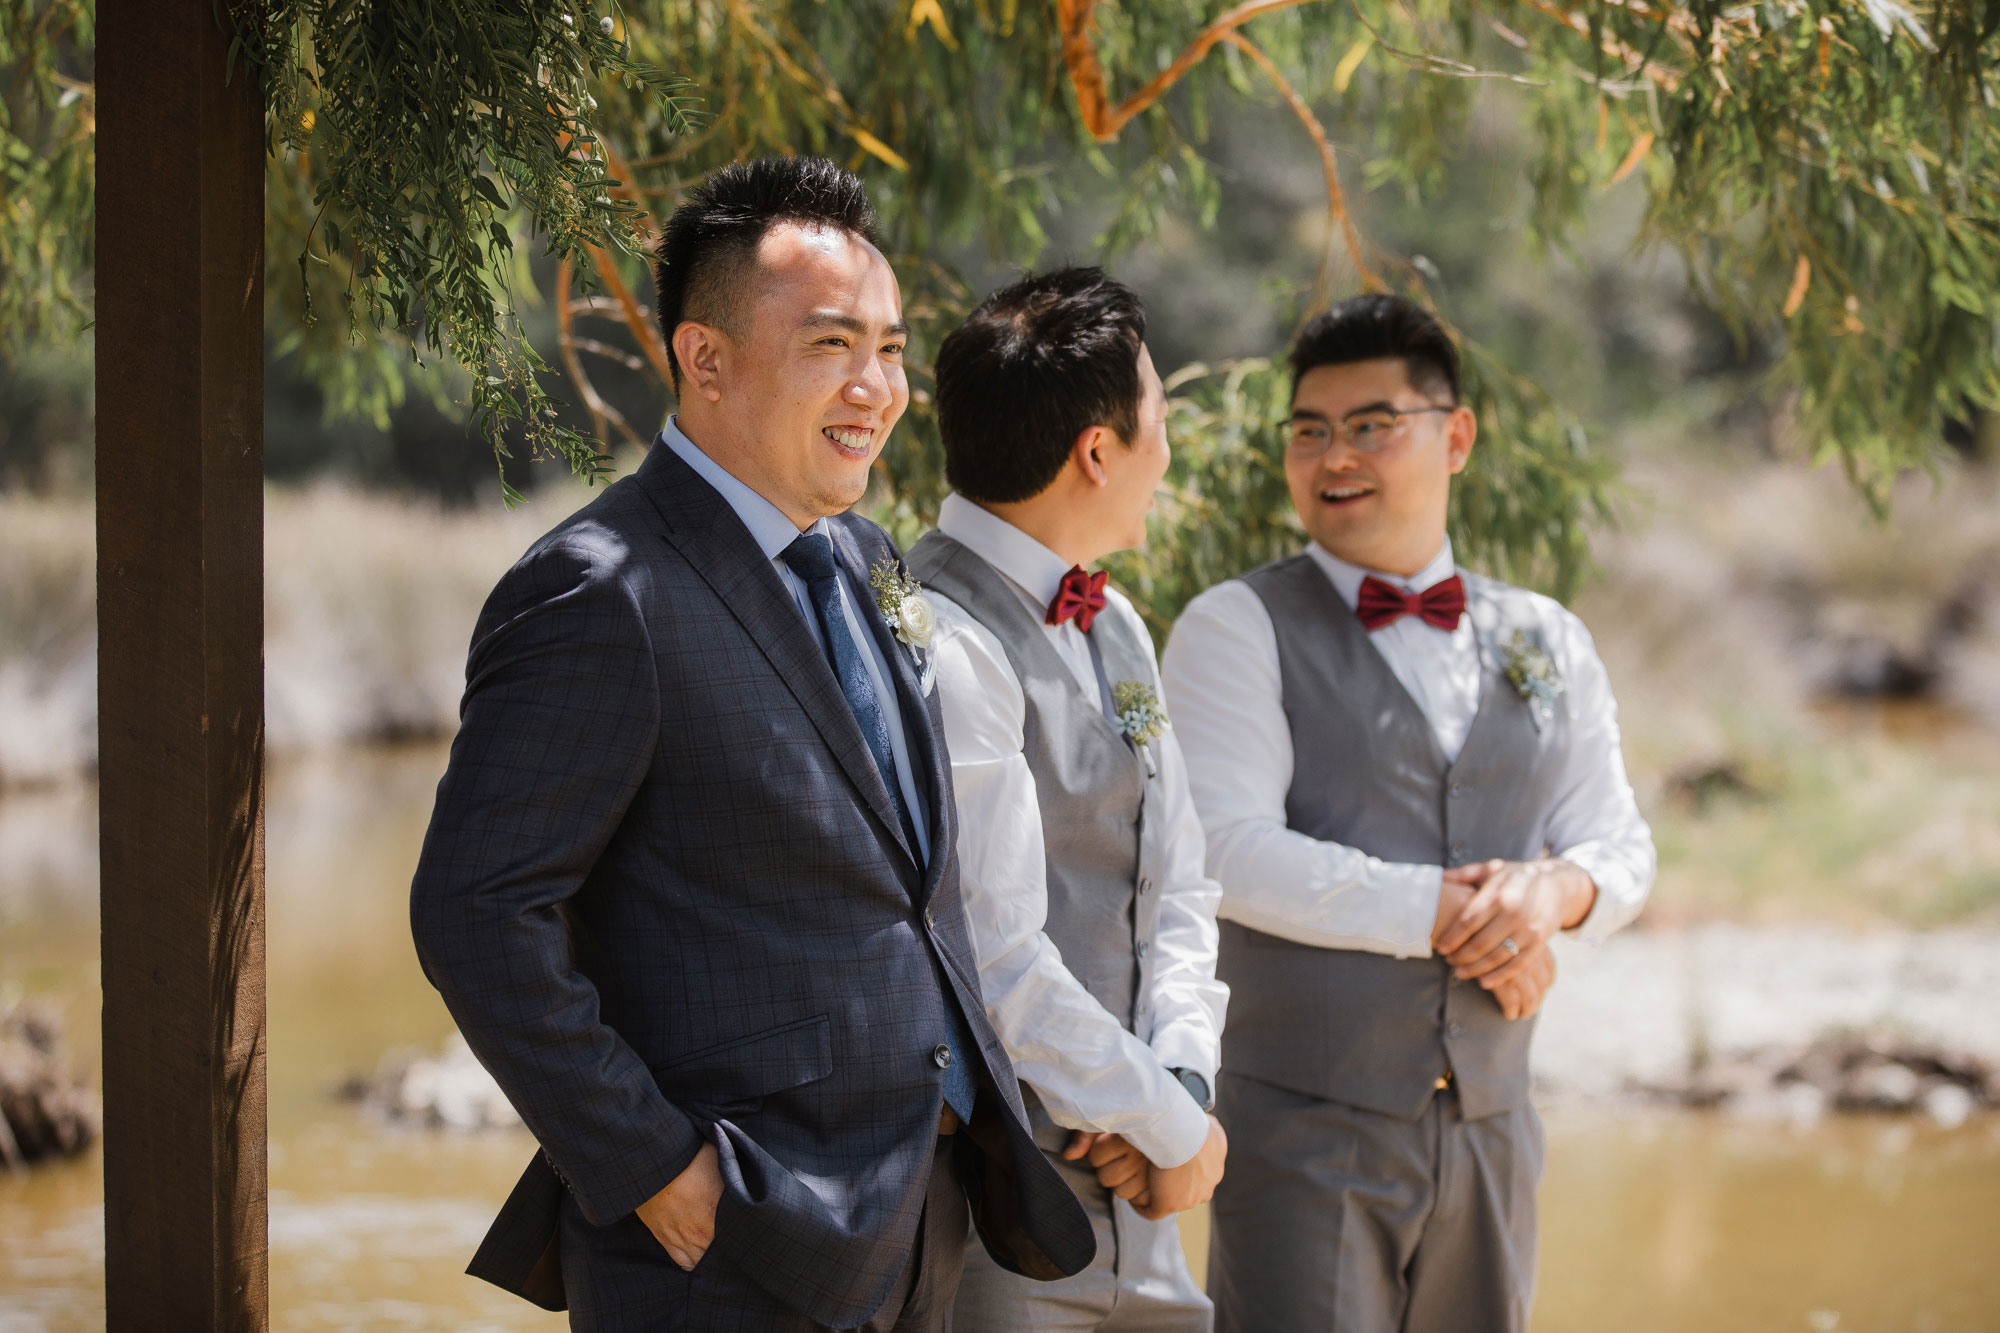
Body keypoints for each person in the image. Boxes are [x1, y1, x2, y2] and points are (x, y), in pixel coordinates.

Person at [409, 155, 1093, 1333]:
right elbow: (475, 912)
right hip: (728, 1245)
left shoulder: (868, 557)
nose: (875, 386)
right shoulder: (600, 589)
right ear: (704, 357)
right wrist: (654, 1169)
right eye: (831, 345)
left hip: (914, 1218)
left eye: (887, 348)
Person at [1160, 294, 1656, 1332]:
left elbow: (1617, 843)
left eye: (1369, 424)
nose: (1332, 454)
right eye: (1309, 430)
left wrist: (1549, 892)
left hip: (1492, 1124)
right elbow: (1229, 852)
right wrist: (1456, 912)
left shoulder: (1546, 636)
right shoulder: (1234, 624)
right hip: (1302, 1129)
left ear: (1455, 437)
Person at [907, 266, 1229, 1333]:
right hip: (998, 1201)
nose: (1168, 447)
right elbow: (993, 960)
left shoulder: (1119, 625)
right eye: (1161, 418)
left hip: (1147, 1189)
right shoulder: (940, 637)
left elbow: (1175, 876)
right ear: (1098, 449)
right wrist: (1166, 1126)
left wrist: (1179, 1085)